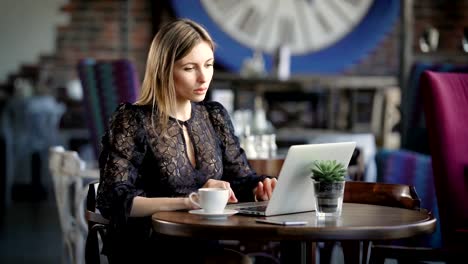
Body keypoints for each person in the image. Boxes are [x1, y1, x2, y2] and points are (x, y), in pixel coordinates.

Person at [96, 18, 277, 263]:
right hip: (147, 248)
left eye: (209, 65)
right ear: (164, 69)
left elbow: (241, 179)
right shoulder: (131, 119)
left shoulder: (215, 116)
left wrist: (260, 188)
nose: (204, 77)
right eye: (190, 68)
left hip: (204, 242)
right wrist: (190, 201)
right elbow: (113, 199)